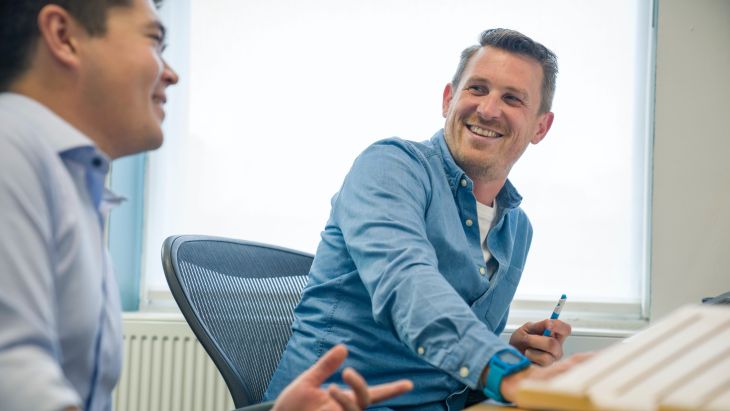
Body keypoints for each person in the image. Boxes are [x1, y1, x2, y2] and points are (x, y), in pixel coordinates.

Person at [0, 1, 411, 410]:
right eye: (155, 42)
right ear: (62, 36)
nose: (172, 73)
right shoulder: (11, 153)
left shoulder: (68, 183)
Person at [265, 28, 572, 410]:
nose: (489, 109)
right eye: (477, 89)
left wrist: (510, 354)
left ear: (540, 127)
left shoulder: (516, 229)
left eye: (512, 98)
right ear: (448, 99)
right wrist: (509, 373)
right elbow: (407, 283)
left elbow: (448, 361)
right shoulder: (389, 167)